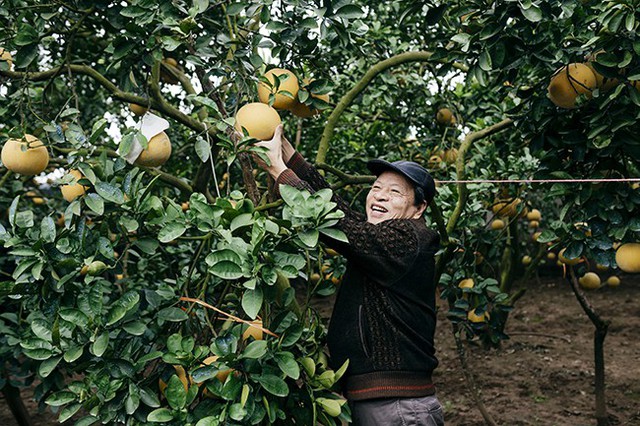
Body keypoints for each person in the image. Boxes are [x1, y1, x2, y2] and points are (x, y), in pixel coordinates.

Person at [253, 125, 444, 426]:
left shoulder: (407, 240)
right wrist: (290, 155)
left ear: (418, 208)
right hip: (383, 403)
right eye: (376, 188)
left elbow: (342, 227)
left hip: (398, 407)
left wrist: (278, 171)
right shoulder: (383, 238)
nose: (379, 197)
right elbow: (341, 213)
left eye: (394, 192)